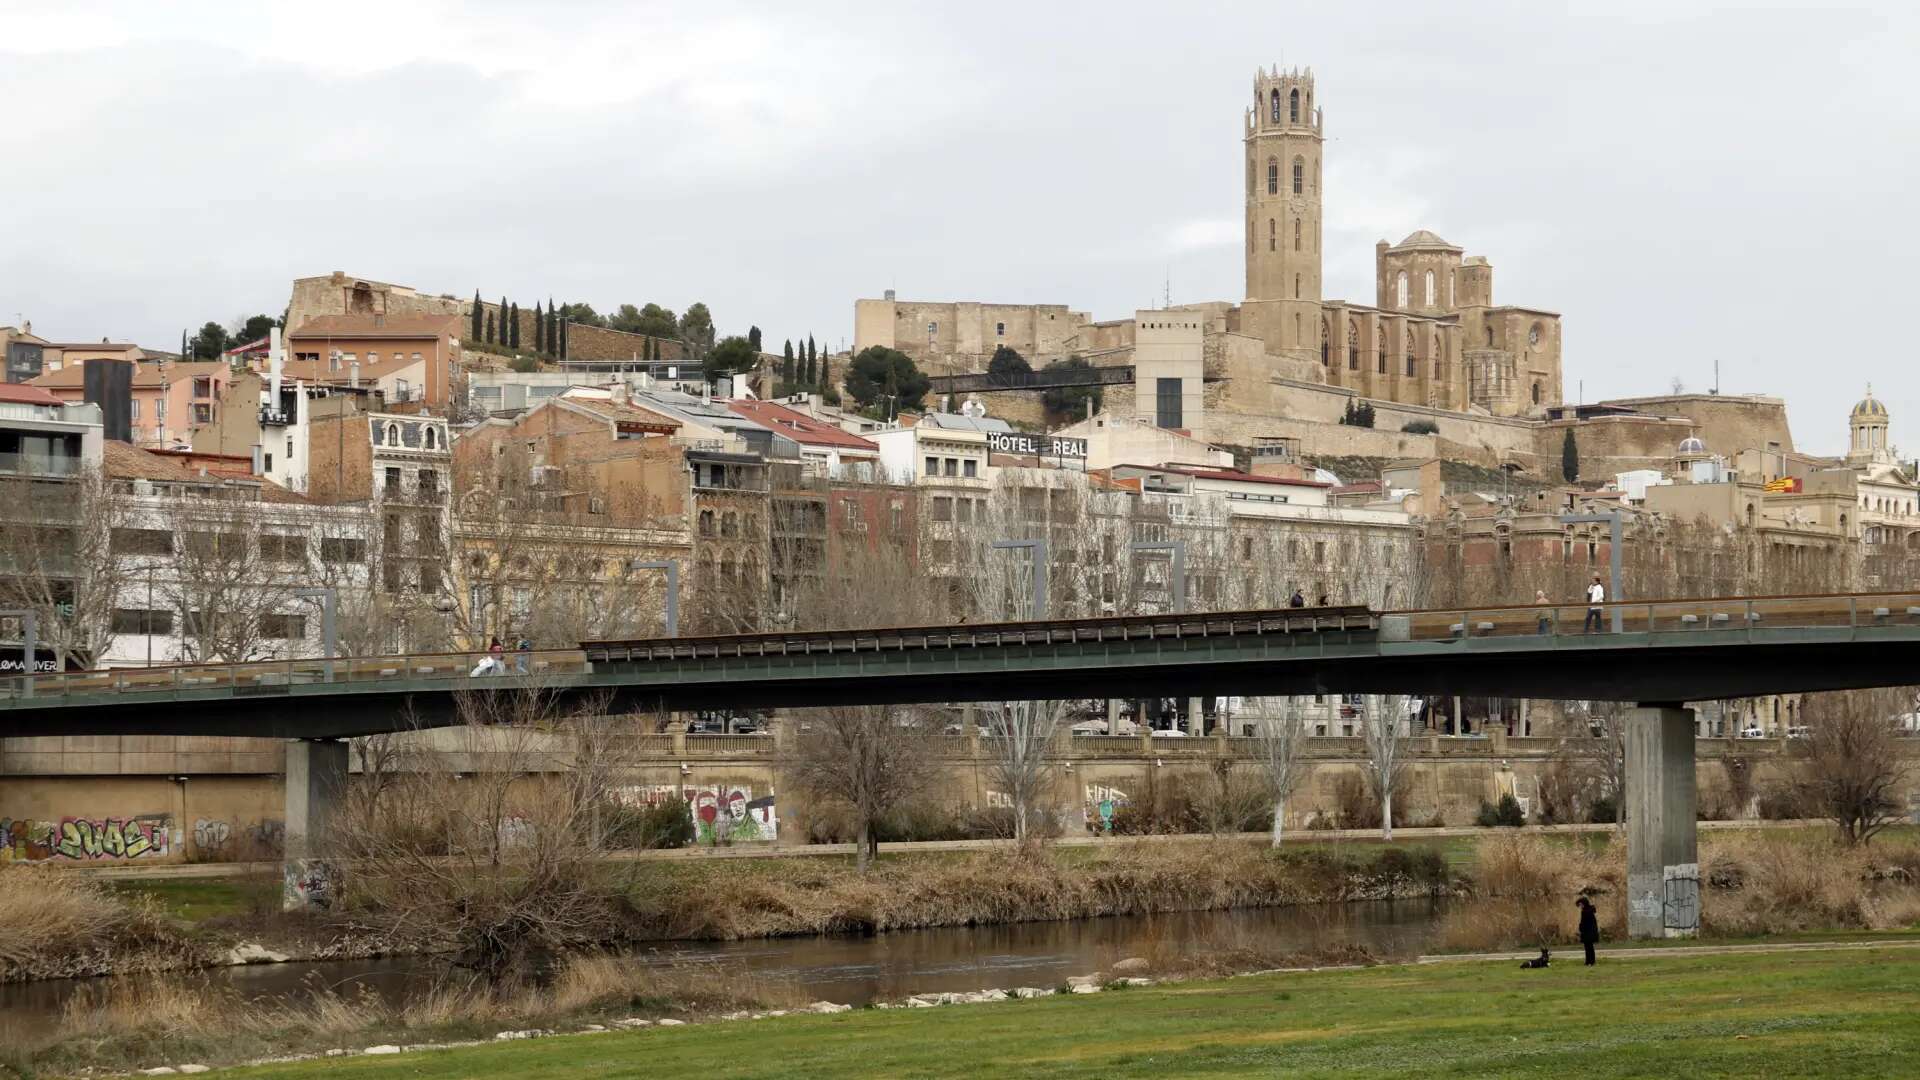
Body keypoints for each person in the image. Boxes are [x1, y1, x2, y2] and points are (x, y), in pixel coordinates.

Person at [1577, 896, 1600, 966]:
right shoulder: (1589, 911)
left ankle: (1590, 961)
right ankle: (1589, 961)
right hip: (1589, 931)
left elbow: (1584, 922)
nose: (1580, 906)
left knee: (1589, 947)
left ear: (1584, 903)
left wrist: (1581, 928)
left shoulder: (1585, 912)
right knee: (1588, 947)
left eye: (1580, 904)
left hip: (1588, 932)